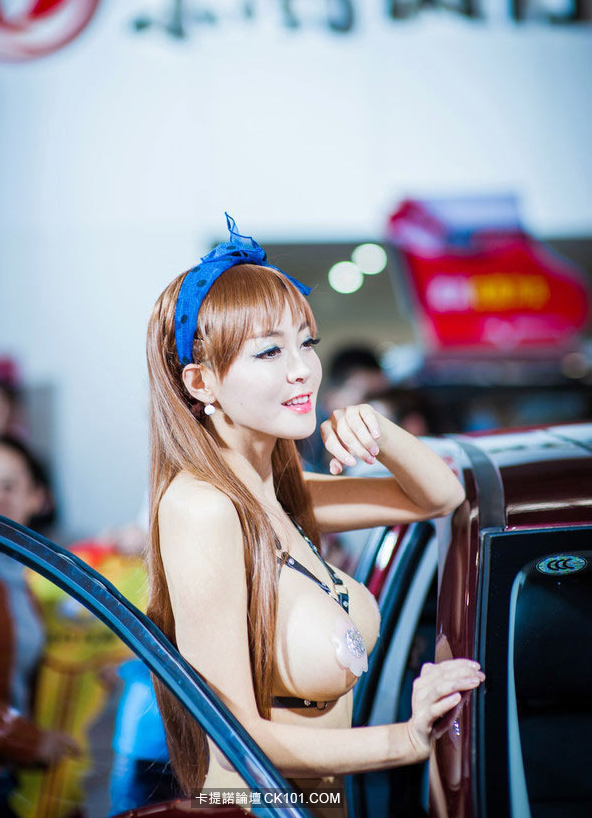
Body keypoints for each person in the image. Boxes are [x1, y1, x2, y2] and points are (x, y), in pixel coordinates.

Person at [145, 215, 485, 816]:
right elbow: (230, 742)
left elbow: (440, 498)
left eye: (306, 342)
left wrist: (377, 429)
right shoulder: (203, 507)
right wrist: (405, 740)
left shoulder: (277, 491)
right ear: (200, 383)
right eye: (269, 351)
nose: (301, 368)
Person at [0, 435, 79, 817]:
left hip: (0, 773)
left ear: (37, 498)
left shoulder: (22, 574)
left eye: (7, 486)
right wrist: (26, 741)